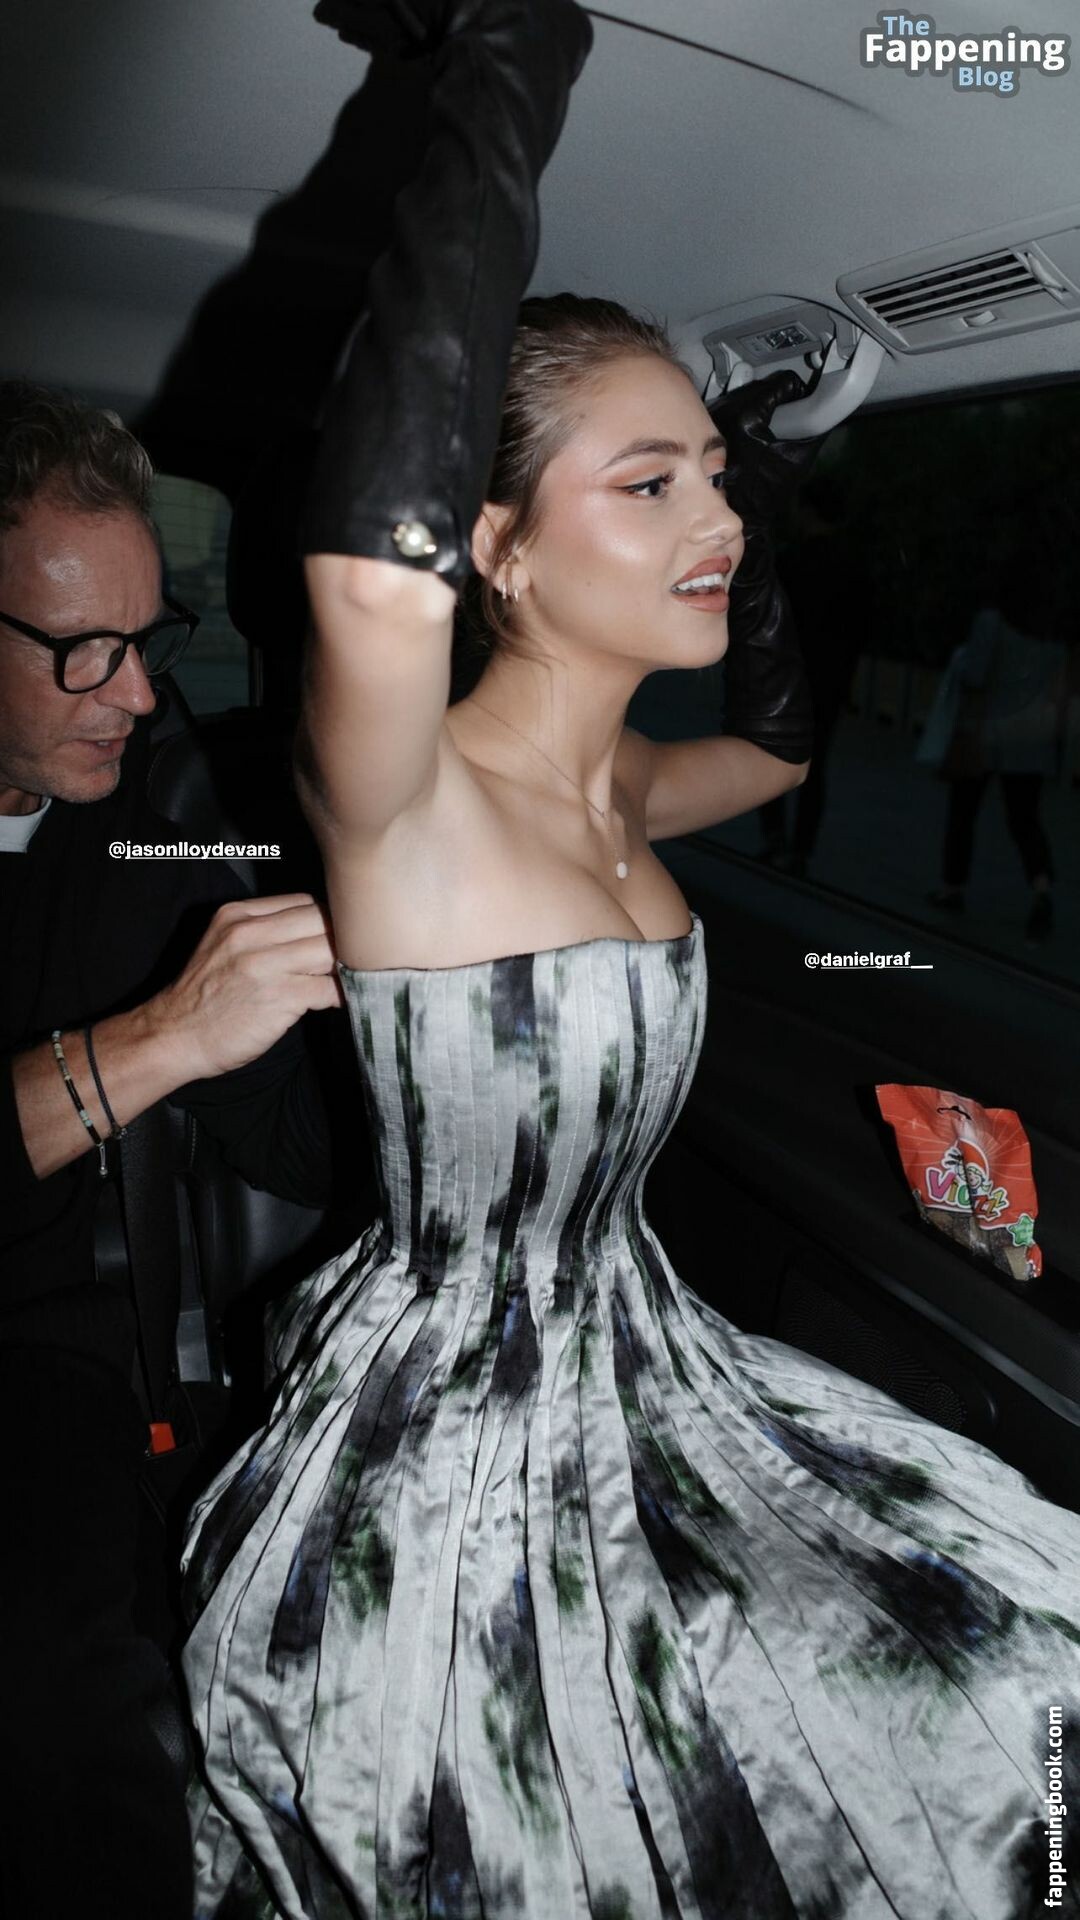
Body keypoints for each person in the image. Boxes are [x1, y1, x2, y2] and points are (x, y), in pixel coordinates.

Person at [181, 3, 1080, 1916]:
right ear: (495, 549)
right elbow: (368, 562)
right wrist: (514, 54)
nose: (717, 516)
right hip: (449, 1448)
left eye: (716, 478)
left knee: (1015, 1673)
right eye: (649, 481)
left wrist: (751, 497)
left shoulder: (634, 793)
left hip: (656, 1369)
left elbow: (783, 746)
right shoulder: (404, 800)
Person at [0, 382, 373, 1920]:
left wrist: (380, 996)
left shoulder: (147, 834)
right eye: (84, 649)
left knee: (63, 1723)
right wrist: (160, 1036)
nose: (139, 692)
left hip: (39, 1359)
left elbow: (299, 1144)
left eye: (149, 638)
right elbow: (168, 1039)